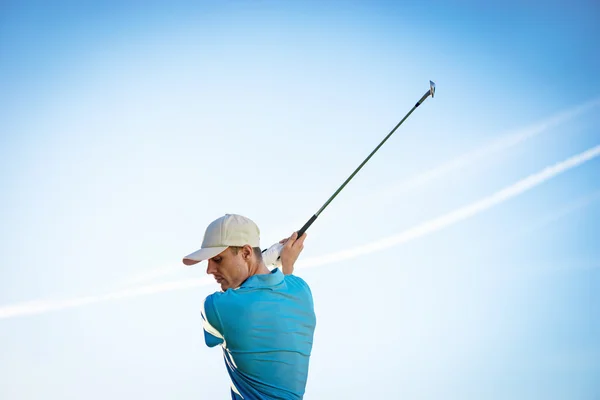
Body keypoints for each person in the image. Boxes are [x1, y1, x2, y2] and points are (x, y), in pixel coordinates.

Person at [182, 214, 317, 400]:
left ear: (246, 253)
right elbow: (277, 286)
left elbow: (215, 336)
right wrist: (274, 263)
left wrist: (270, 259)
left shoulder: (217, 307)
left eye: (218, 259)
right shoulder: (301, 291)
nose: (209, 270)